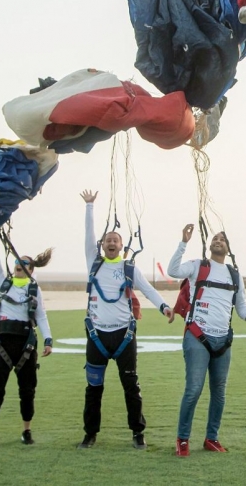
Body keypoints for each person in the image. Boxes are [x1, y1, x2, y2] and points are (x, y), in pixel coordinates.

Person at [78, 190, 174, 451]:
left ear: (121, 246)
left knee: (131, 386)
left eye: (115, 240)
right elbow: (87, 238)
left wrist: (164, 306)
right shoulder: (93, 264)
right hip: (97, 336)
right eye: (107, 240)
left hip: (124, 337)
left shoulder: (129, 269)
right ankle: (90, 434)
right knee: (93, 389)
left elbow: (148, 289)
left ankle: (137, 433)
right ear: (102, 245)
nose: (111, 243)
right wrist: (89, 207)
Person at [168, 224, 246, 456]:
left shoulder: (234, 274)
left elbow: (242, 308)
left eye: (222, 239)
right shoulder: (197, 266)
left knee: (219, 392)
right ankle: (183, 439)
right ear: (209, 245)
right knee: (194, 389)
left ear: (228, 247)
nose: (218, 240)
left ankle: (211, 438)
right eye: (215, 238)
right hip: (197, 336)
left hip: (222, 341)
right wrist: (183, 242)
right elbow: (173, 270)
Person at [0, 229, 54, 450]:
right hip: (1, 343)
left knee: (27, 391)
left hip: (25, 344)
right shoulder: (2, 283)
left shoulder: (34, 289)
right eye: (17, 261)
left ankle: (26, 430)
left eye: (24, 263)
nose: (19, 264)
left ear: (31, 270)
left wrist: (48, 339)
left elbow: (41, 315)